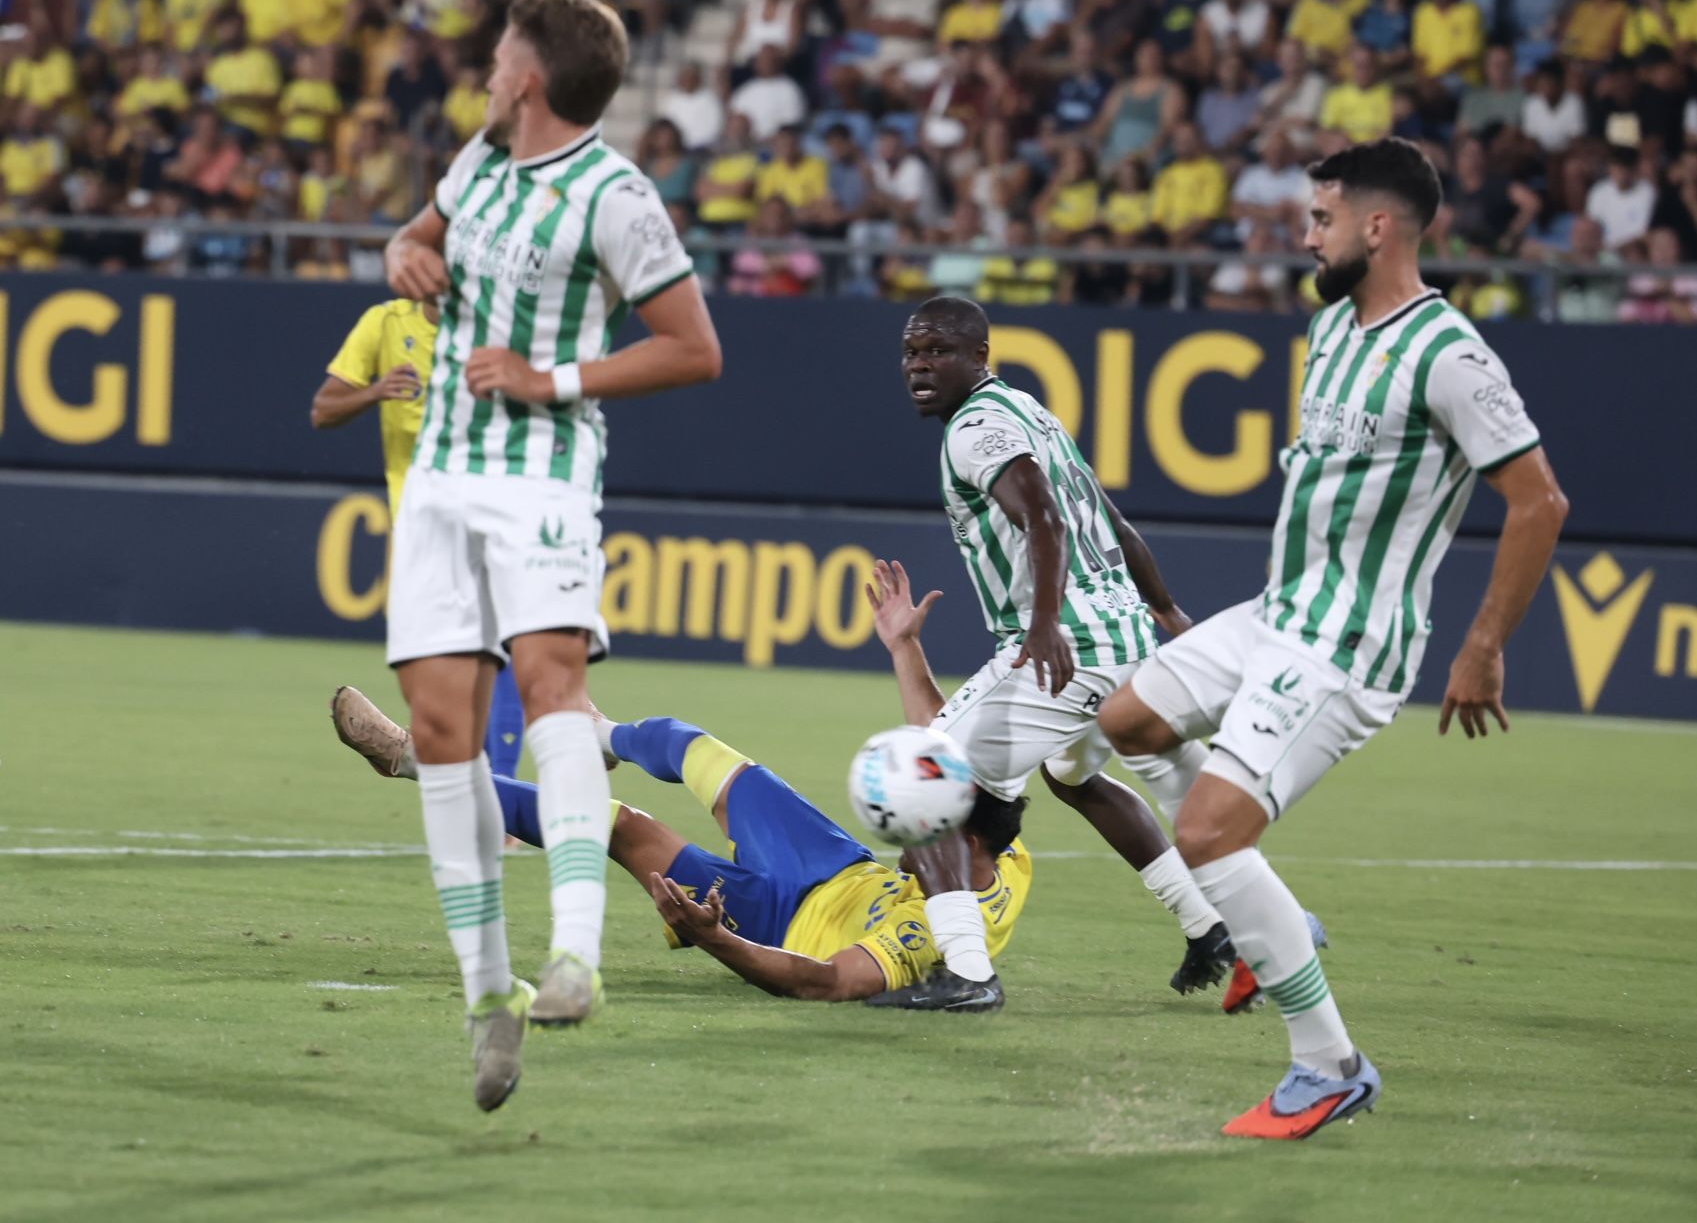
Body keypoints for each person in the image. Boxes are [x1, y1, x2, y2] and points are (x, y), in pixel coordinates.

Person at [1095, 138, 1568, 1139]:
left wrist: (1482, 645)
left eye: (1319, 219)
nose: (1303, 235)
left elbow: (1537, 502)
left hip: (1348, 643)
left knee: (1209, 834)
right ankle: (1267, 921)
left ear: (1376, 226)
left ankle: (1330, 1062)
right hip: (1281, 612)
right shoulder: (1336, 329)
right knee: (1125, 720)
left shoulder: (1448, 354)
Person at [379, 0, 721, 1112]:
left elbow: (692, 347)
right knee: (441, 730)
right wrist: (404, 253)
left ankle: (578, 951)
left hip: (542, 471)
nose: (485, 67)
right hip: (439, 472)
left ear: (529, 75)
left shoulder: (615, 197)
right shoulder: (478, 159)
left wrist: (548, 377)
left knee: (551, 683)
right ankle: (491, 995)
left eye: (497, 55)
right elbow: (420, 239)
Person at [865, 296, 1234, 1013]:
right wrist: (1163, 609)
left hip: (1067, 646)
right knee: (1071, 772)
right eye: (911, 352)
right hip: (1122, 641)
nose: (918, 365)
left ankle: (968, 976)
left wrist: (1040, 626)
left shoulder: (974, 429)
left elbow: (1042, 513)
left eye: (937, 351)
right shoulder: (1028, 412)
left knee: (917, 782)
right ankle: (1207, 926)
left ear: (979, 356)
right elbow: (1110, 517)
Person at [329, 687, 1031, 1001]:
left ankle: (414, 760)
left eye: (916, 825)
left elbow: (825, 982)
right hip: (828, 862)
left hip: (774, 924)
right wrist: (903, 647)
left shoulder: (932, 937)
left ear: (957, 836)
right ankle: (601, 734)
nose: (903, 830)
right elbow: (940, 752)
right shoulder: (1004, 849)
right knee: (690, 743)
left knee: (617, 825)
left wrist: (716, 940)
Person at [310, 291, 529, 799]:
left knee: (499, 647)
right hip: (420, 525)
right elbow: (324, 410)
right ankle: (477, 784)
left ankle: (501, 795)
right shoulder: (385, 324)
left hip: (490, 510)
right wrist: (376, 391)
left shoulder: (494, 327)